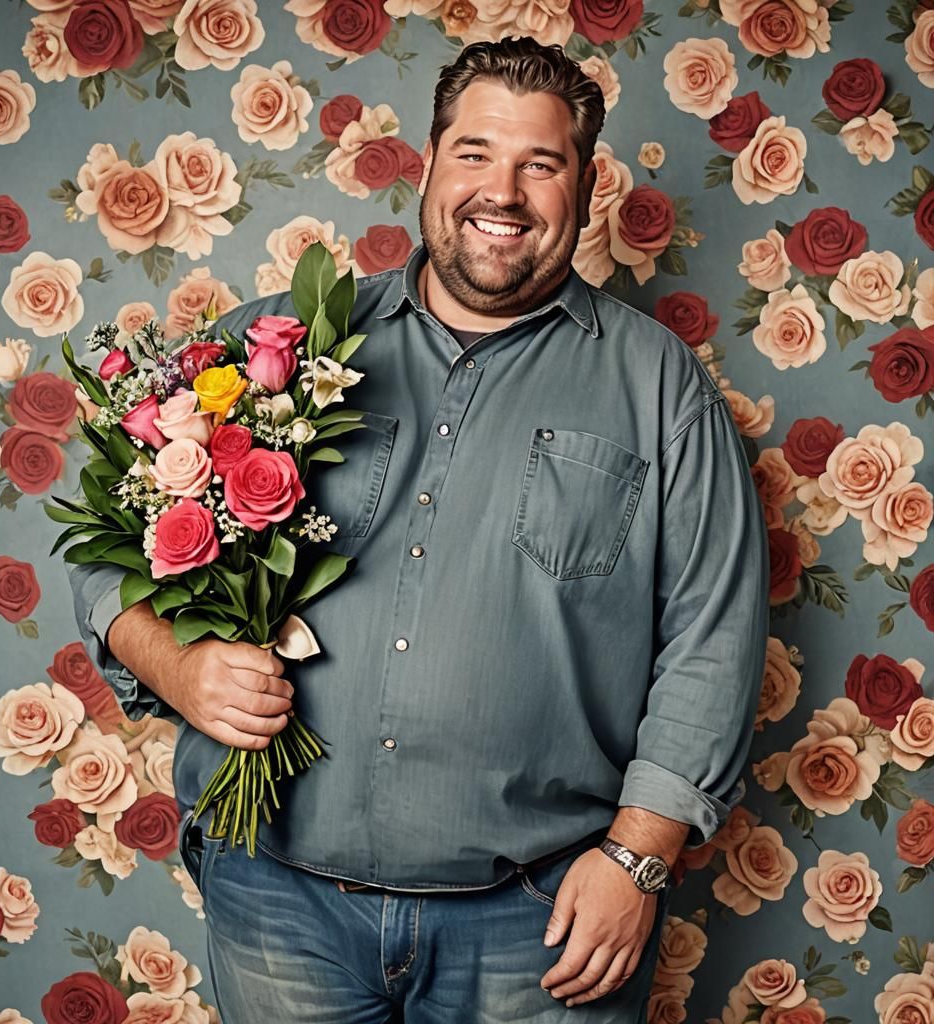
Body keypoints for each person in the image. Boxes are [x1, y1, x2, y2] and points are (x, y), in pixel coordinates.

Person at [67, 36, 770, 1024]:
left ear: (587, 183)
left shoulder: (659, 391)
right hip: (277, 900)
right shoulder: (281, 349)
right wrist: (171, 663)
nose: (504, 191)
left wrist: (638, 860)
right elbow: (106, 535)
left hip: (536, 922)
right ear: (430, 162)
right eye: (476, 152)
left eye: (541, 162)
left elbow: (714, 637)